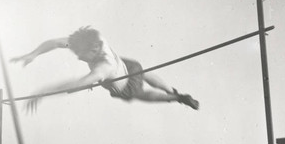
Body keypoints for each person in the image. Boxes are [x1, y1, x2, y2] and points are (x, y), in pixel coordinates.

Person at [10, 26, 199, 112]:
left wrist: (43, 91)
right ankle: (173, 91)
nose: (78, 57)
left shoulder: (102, 69)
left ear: (94, 50)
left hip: (125, 86)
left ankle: (176, 98)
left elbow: (75, 85)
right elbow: (56, 42)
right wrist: (33, 54)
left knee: (140, 94)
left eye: (82, 56)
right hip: (128, 65)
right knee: (142, 72)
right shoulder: (94, 39)